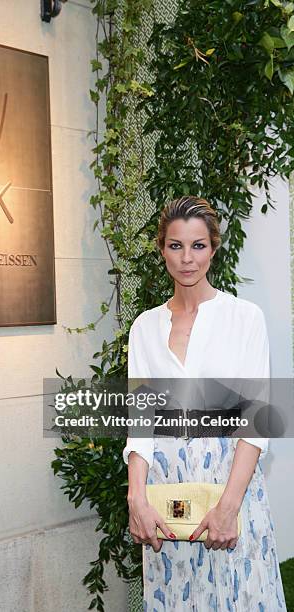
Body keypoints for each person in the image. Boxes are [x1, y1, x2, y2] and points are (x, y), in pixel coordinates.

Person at [123, 196, 287, 611]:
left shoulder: (244, 318)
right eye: (176, 246)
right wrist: (137, 499)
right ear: (162, 249)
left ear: (214, 248)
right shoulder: (144, 328)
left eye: (198, 246)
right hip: (169, 503)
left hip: (230, 493)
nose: (187, 259)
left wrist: (228, 509)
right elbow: (140, 426)